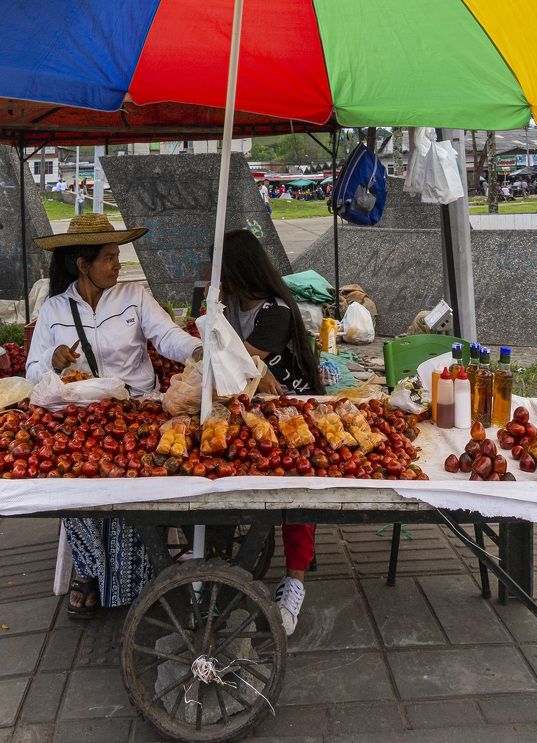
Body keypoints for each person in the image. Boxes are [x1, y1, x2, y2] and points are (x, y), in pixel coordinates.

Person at [26, 213, 202, 617]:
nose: (117, 264)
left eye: (117, 255)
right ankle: (88, 569)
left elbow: (167, 335)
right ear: (82, 265)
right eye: (108, 257)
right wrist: (52, 363)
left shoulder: (134, 297)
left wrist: (196, 349)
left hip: (137, 410)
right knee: (71, 484)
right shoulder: (54, 309)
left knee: (128, 487)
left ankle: (125, 582)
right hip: (78, 416)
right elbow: (32, 372)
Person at [219, 228, 325, 636]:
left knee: (296, 488)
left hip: (294, 410)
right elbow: (214, 347)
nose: (217, 280)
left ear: (239, 272)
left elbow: (237, 357)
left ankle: (294, 580)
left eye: (222, 272)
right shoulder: (227, 304)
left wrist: (257, 369)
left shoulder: (276, 311)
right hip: (250, 410)